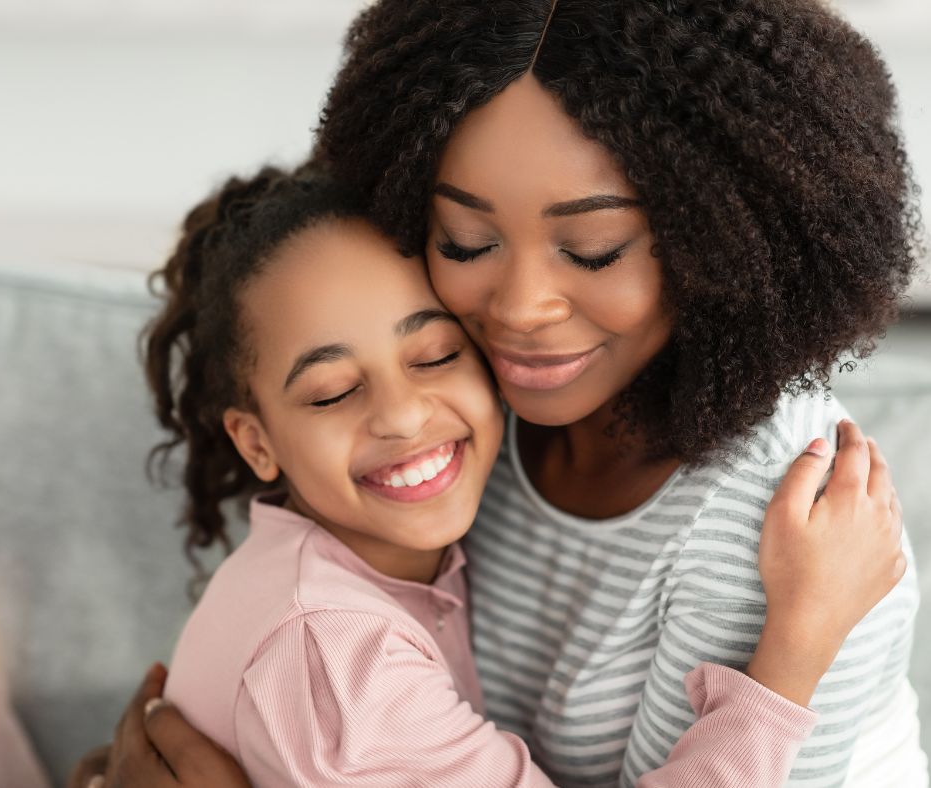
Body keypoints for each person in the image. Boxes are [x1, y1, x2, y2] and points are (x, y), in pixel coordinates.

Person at [73, 0, 926, 785]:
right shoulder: (470, 426)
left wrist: (794, 654)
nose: (518, 311)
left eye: (592, 250)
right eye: (466, 240)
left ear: (715, 235)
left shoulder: (796, 534)